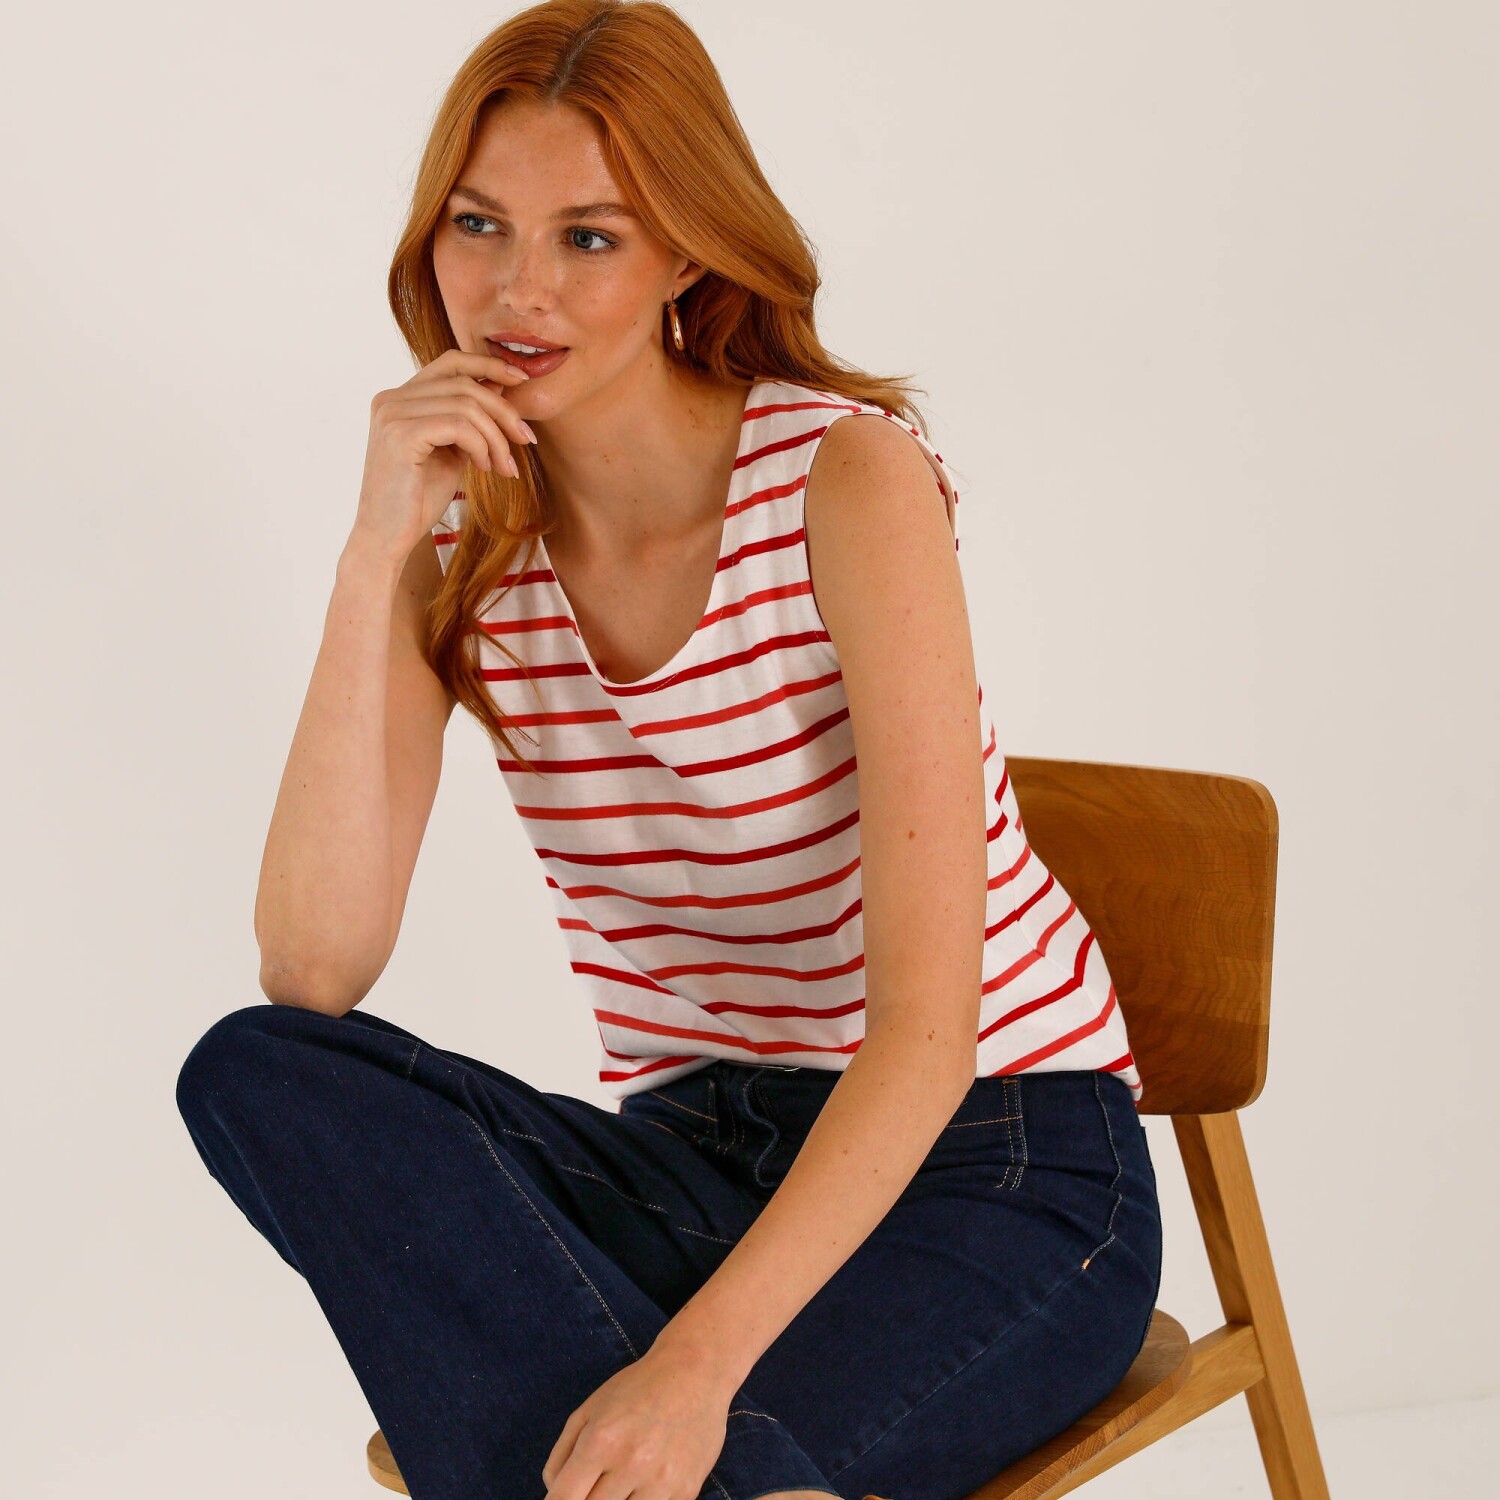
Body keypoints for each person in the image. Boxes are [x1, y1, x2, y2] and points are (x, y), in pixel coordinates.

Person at [174, 3, 1162, 1498]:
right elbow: (312, 971)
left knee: (668, 1460)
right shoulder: (461, 550)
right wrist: (376, 547)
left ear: (688, 254)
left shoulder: (843, 481)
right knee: (257, 1074)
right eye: (478, 225)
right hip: (695, 1167)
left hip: (992, 1164)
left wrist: (690, 1372)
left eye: (589, 238)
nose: (516, 290)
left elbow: (928, 1035)